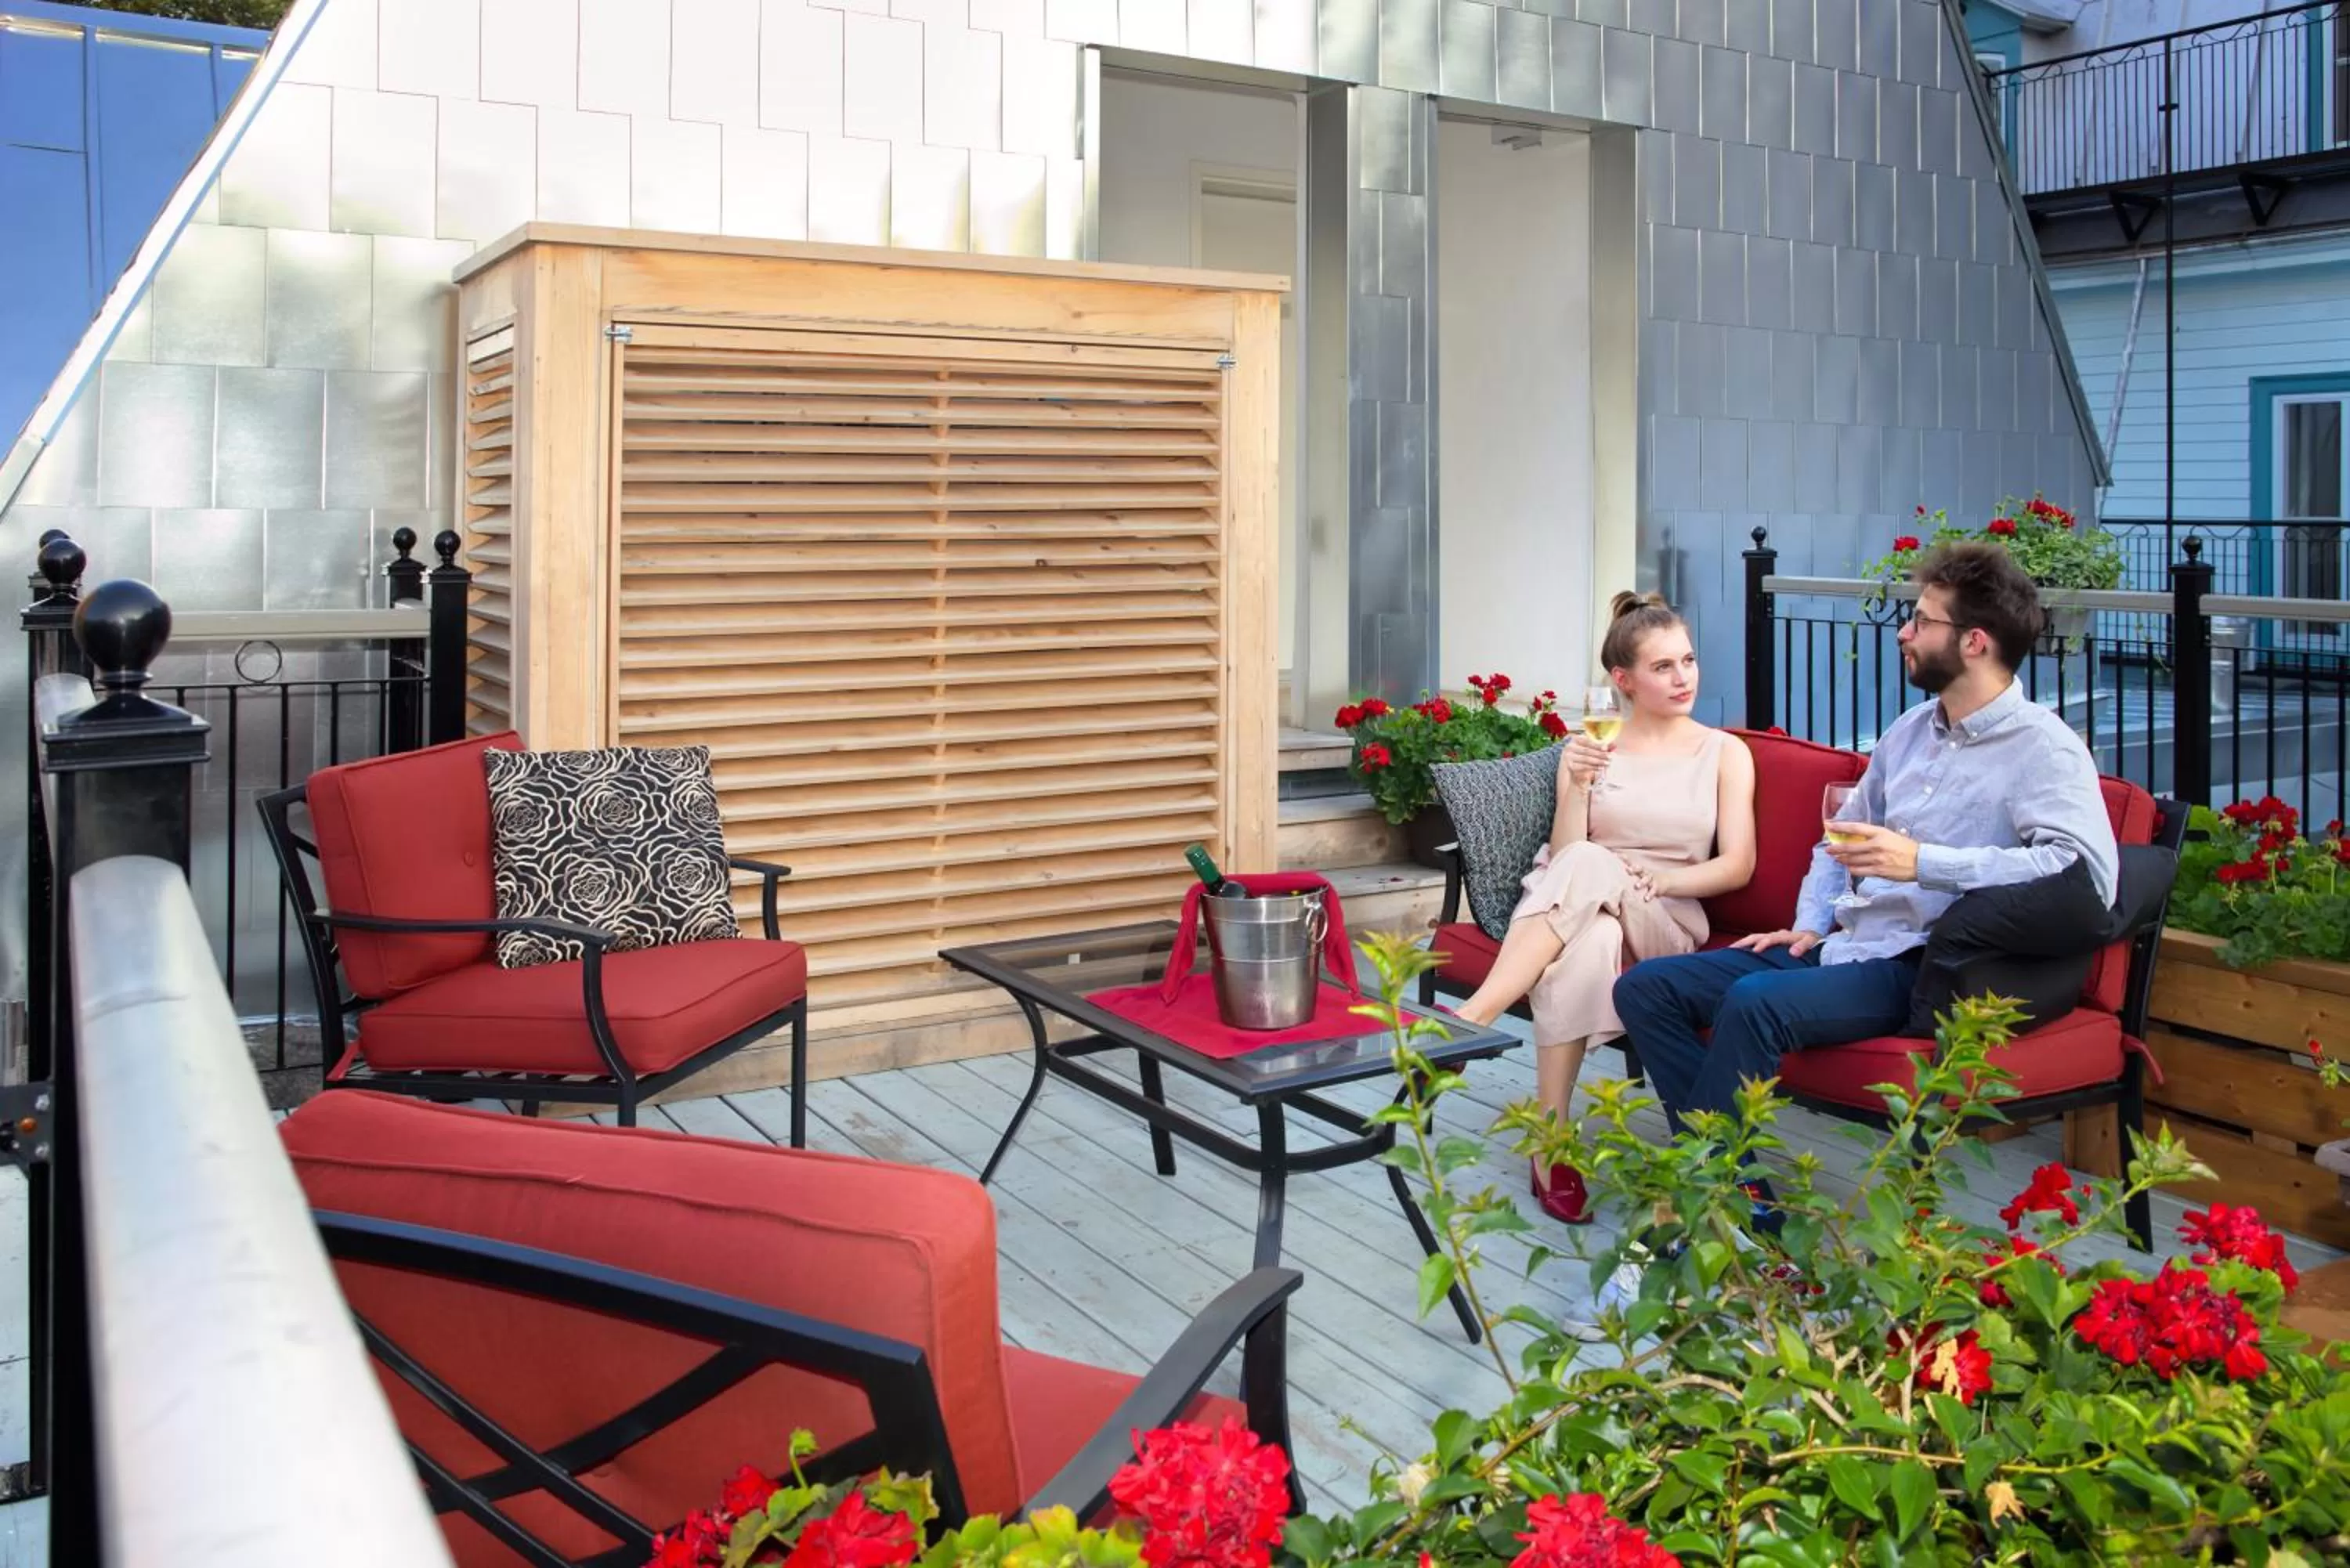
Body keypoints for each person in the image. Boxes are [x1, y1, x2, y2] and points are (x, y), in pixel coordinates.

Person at [1611, 542, 2120, 1234]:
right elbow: (1836, 840)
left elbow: (2082, 871)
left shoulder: (2045, 748)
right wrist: (1811, 922)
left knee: (1753, 1003)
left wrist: (1927, 863)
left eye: (1922, 621)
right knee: (1647, 988)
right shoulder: (1910, 731)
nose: (1905, 633)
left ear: (1974, 642)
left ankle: (1710, 1206)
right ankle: (1741, 1190)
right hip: (1846, 943)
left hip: (1922, 966)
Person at [1451, 592, 1757, 1224]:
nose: (1684, 677)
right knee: (1588, 939)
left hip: (1666, 917)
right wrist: (1577, 784)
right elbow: (1567, 855)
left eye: (1688, 661)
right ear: (1624, 680)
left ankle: (1472, 1017)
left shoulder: (1725, 752)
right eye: (1663, 667)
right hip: (1586, 903)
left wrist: (1664, 880)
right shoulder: (1594, 746)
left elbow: (1738, 866)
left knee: (1594, 866)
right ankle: (1551, 1144)